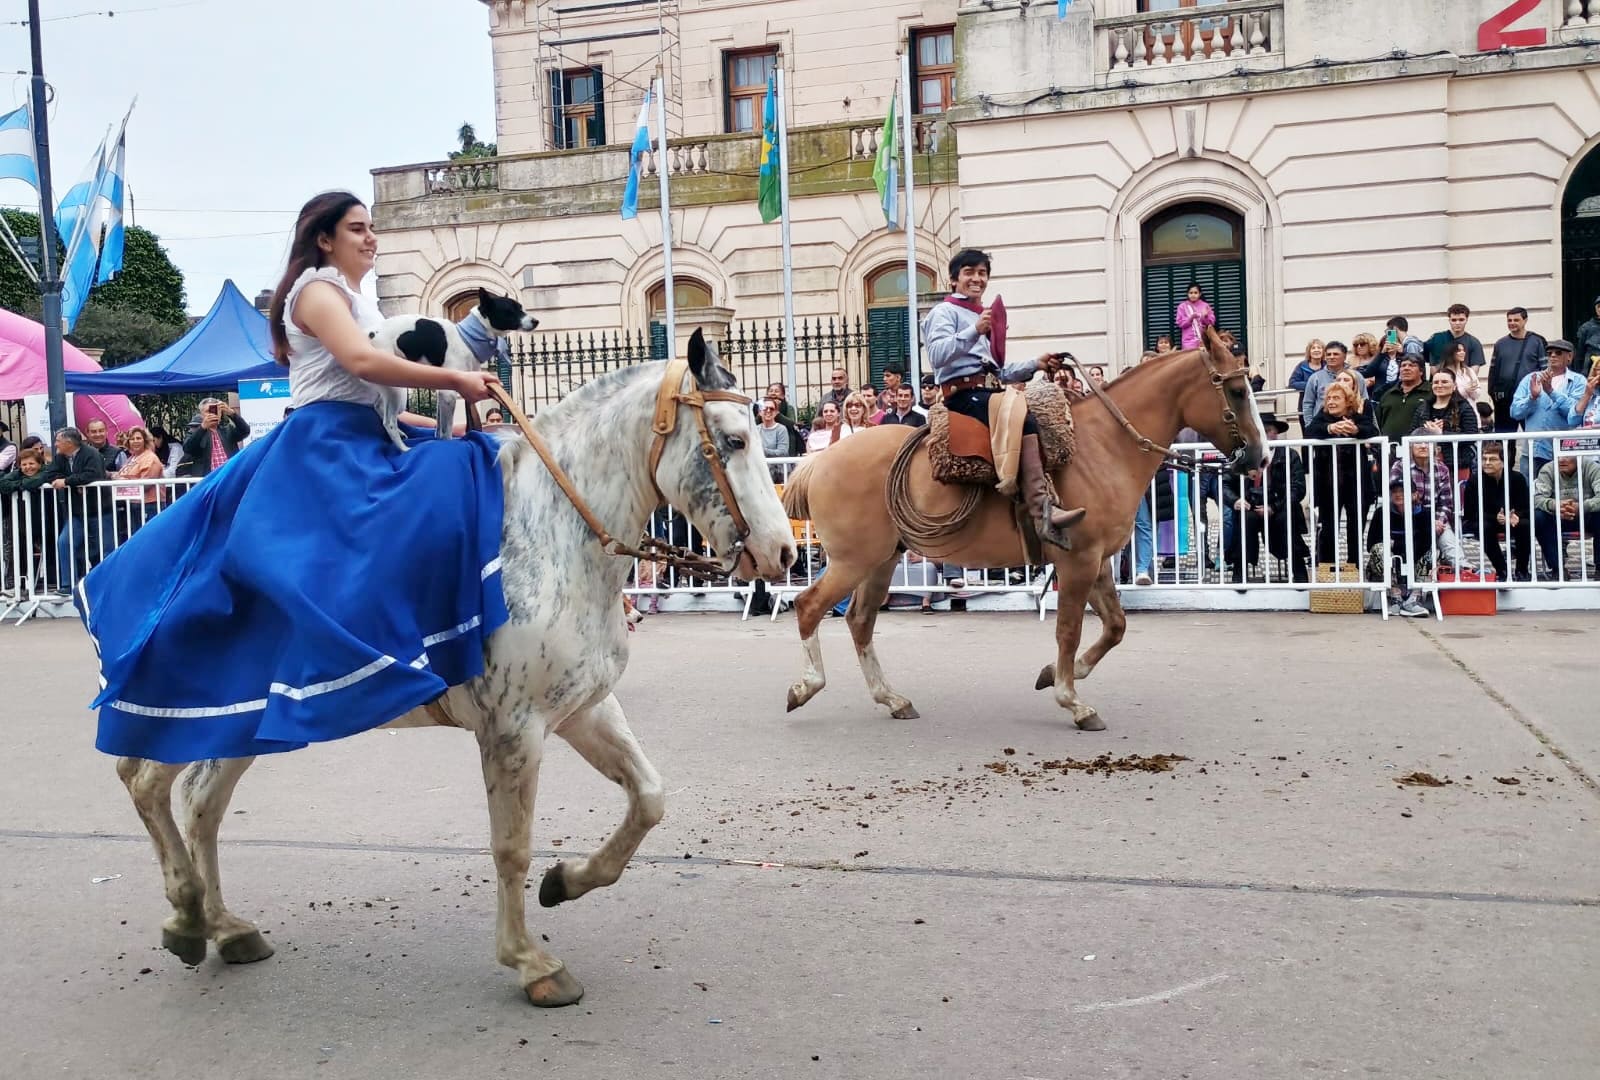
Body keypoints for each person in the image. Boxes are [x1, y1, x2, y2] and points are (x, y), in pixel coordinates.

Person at [79, 191, 505, 764]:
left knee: (470, 458)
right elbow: (360, 363)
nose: (371, 237)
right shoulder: (317, 291)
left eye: (372, 227)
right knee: (426, 501)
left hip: (368, 432)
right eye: (358, 228)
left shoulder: (360, 301)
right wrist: (457, 383)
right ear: (324, 239)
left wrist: (442, 425)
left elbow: (384, 402)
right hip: (326, 443)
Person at [919, 248, 1084, 548]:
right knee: (1024, 418)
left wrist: (1037, 363)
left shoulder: (983, 315)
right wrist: (973, 331)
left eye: (982, 273)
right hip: (962, 395)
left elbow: (1000, 371)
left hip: (989, 391)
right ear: (954, 279)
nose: (977, 279)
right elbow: (937, 356)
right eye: (969, 272)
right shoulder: (944, 312)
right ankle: (1042, 510)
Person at [1304, 382, 1378, 568]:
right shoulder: (1321, 418)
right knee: (1328, 529)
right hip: (1328, 484)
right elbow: (1310, 431)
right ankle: (1327, 570)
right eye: (1328, 398)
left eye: (1336, 398)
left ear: (1348, 401)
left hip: (1356, 484)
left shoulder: (1357, 417)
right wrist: (1330, 429)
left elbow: (1373, 430)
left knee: (1355, 528)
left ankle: (1354, 567)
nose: (1330, 402)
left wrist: (1355, 430)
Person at [1459, 440, 1532, 582]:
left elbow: (1526, 507)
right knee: (1484, 526)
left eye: (1492, 459)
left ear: (1504, 461)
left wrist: (1516, 516)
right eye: (1484, 459)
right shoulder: (1475, 481)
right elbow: (1470, 513)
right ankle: (1502, 570)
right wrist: (1495, 517)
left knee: (1525, 525)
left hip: (1511, 519)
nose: (1486, 463)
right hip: (1484, 519)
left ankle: (1522, 570)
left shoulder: (1517, 479)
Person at [1413, 367, 1481, 473]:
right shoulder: (1423, 408)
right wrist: (1427, 432)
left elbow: (1471, 436)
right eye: (1436, 382)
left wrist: (1441, 434)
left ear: (1454, 386)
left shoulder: (1464, 407)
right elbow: (1412, 433)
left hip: (1457, 464)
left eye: (1444, 382)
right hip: (1425, 466)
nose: (1439, 385)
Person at [1174, 283, 1215, 351]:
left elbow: (1211, 322)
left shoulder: (1205, 306)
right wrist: (1191, 318)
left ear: (1200, 294)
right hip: (1188, 342)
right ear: (1188, 294)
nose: (1193, 295)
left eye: (1195, 293)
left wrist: (1205, 316)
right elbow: (1180, 323)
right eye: (1191, 293)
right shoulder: (1182, 306)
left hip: (1203, 340)